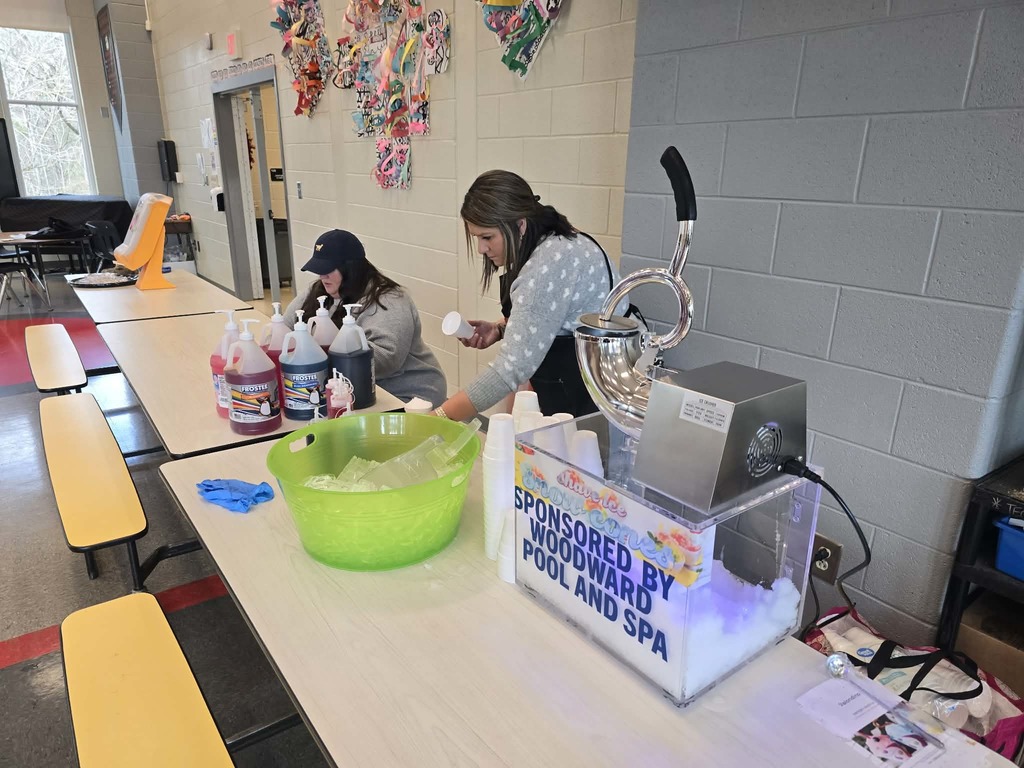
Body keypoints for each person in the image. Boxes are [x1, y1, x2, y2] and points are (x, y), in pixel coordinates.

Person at [433, 170, 627, 421]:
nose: (481, 249)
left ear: (520, 225)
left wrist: (437, 418)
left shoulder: (548, 263)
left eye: (487, 237)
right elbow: (555, 314)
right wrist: (502, 328)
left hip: (597, 394)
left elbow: (508, 371)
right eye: (477, 238)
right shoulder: (555, 240)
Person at [283, 229, 447, 407]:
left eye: (328, 269)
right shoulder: (319, 291)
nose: (323, 276)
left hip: (406, 393)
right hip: (350, 390)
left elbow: (386, 359)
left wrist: (322, 350)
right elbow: (285, 329)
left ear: (351, 267)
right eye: (319, 270)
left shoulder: (388, 299)